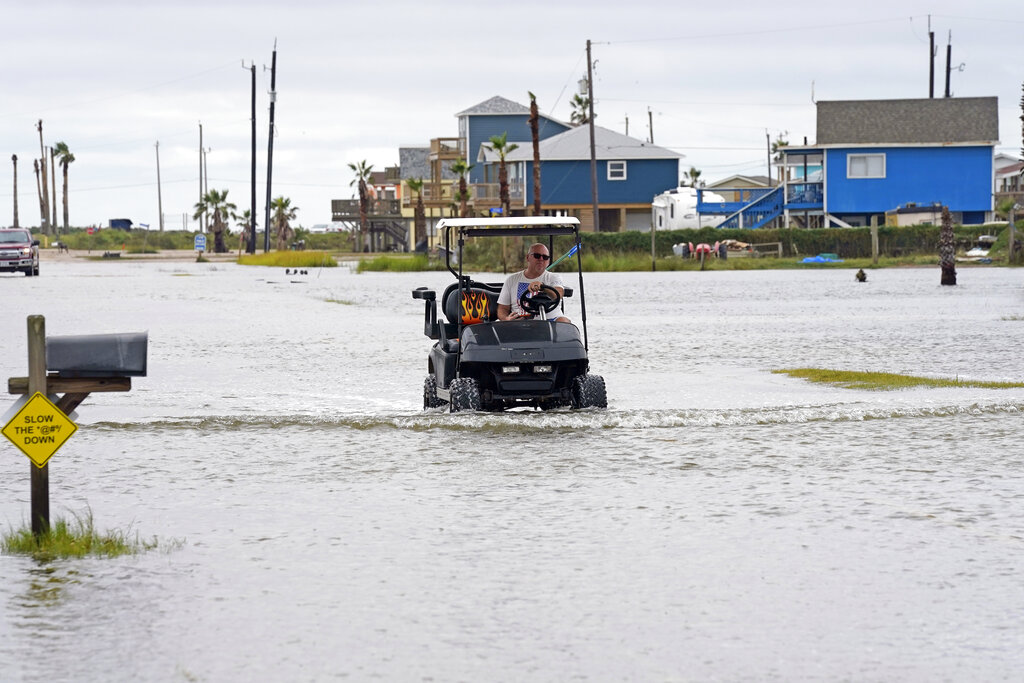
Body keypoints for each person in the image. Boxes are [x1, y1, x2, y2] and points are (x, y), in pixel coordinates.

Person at [497, 243, 570, 323]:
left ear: (548, 261)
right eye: (537, 256)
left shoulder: (554, 277)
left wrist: (543, 287)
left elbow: (558, 294)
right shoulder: (512, 280)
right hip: (521, 323)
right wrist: (506, 319)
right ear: (528, 258)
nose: (541, 259)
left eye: (545, 257)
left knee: (564, 321)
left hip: (551, 321)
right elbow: (502, 308)